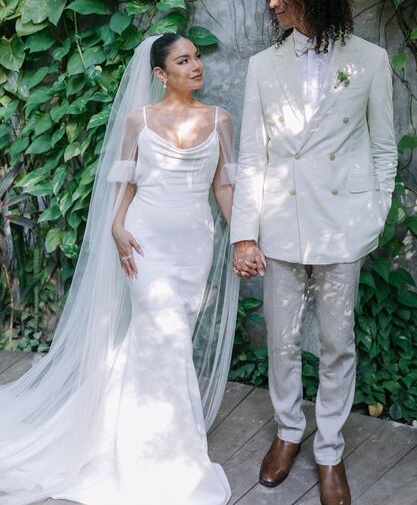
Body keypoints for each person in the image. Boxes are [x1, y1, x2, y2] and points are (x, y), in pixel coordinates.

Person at [0, 34, 239, 505]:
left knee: (159, 341)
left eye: (197, 58)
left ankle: (120, 428)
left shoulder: (220, 120)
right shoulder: (138, 121)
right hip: (145, 244)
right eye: (183, 60)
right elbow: (126, 182)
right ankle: (171, 455)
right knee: (166, 335)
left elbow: (224, 188)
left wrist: (244, 239)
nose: (196, 66)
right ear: (160, 74)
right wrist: (115, 224)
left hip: (194, 247)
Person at [230, 0, 397, 505]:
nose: (272, 3)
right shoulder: (263, 65)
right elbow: (252, 156)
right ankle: (287, 431)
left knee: (336, 341)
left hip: (341, 226)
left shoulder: (370, 60)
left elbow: (384, 148)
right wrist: (244, 233)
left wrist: (372, 215)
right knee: (281, 339)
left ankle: (329, 449)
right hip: (280, 221)